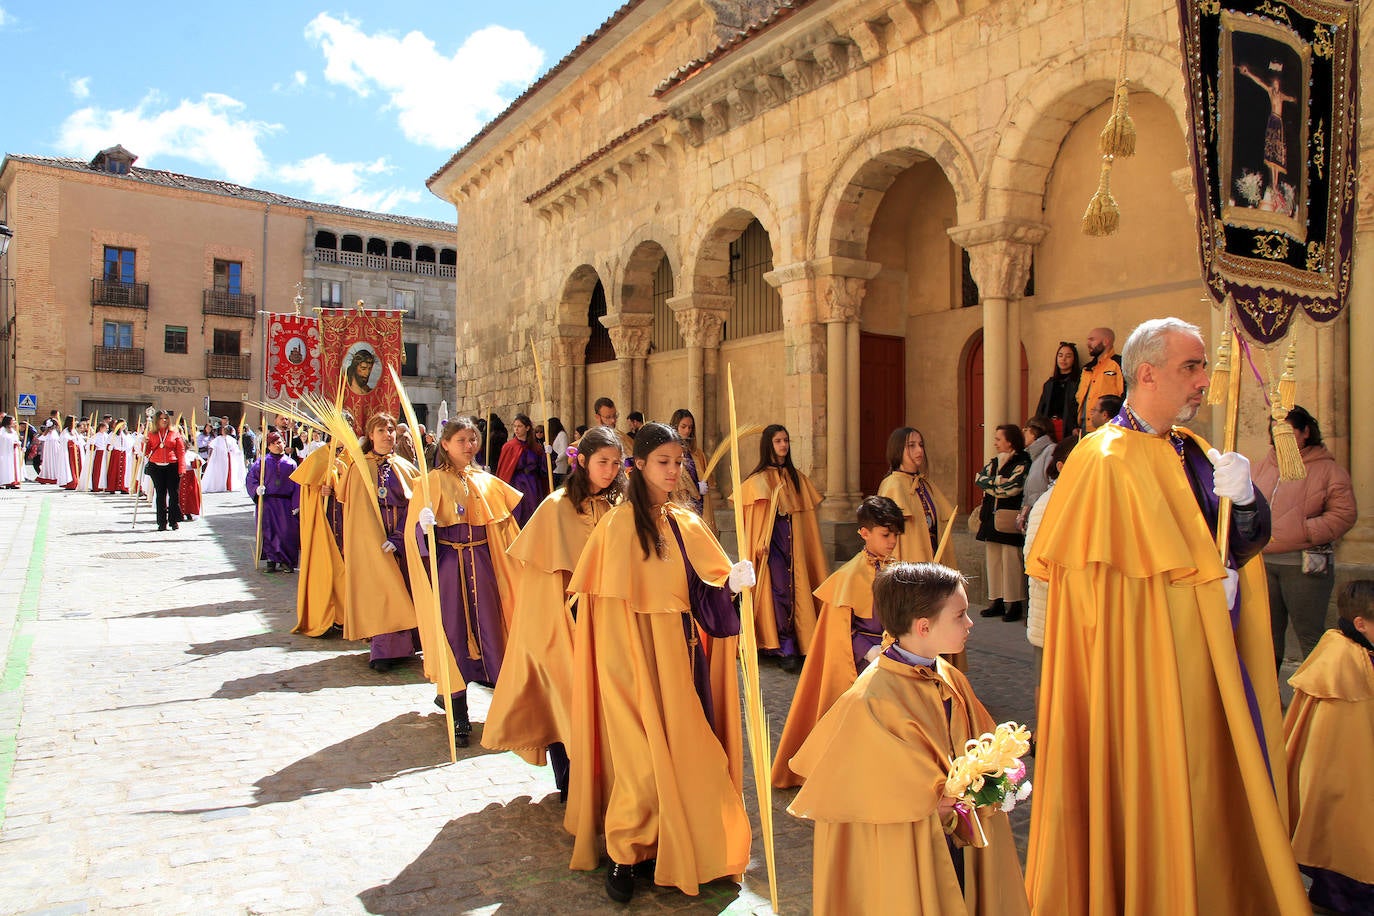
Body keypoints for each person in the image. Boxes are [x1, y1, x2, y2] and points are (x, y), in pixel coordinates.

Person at [1026, 317, 1305, 914]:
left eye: (1204, 366)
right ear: (1145, 373)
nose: (1205, 381)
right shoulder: (1100, 460)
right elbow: (1098, 593)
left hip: (1208, 661)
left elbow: (1238, 545)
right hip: (1141, 673)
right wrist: (1205, 588)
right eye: (1192, 367)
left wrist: (1248, 502)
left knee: (1211, 787)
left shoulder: (1195, 450)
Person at [564, 422, 755, 903]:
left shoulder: (687, 522)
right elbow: (605, 612)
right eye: (663, 462)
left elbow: (703, 595)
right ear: (640, 465)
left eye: (678, 462)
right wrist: (625, 670)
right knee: (640, 761)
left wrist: (728, 585)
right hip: (632, 660)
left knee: (691, 752)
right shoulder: (616, 527)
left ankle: (685, 841)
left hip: (683, 661)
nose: (673, 471)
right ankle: (626, 852)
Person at [787, 562, 1030, 915]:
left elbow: (980, 741)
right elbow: (873, 786)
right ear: (924, 626)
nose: (970, 623)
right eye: (960, 615)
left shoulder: (948, 674)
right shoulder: (870, 698)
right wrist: (934, 796)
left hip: (958, 832)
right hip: (909, 844)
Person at [482, 426, 626, 793]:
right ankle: (570, 780)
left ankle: (600, 775)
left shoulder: (617, 507)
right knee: (565, 696)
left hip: (608, 619)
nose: (609, 470)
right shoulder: (557, 506)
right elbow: (544, 578)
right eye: (602, 462)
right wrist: (560, 618)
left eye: (615, 463)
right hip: (564, 619)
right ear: (583, 462)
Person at [771, 496, 904, 788]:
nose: (892, 541)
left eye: (895, 534)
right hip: (859, 663)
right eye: (885, 534)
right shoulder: (849, 575)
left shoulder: (898, 569)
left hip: (893, 655)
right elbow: (839, 630)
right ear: (864, 533)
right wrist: (868, 652)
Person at [407, 416, 522, 747]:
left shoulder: (485, 481)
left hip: (483, 565)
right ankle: (458, 711)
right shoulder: (431, 481)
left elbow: (504, 528)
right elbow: (416, 535)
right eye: (462, 440)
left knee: (492, 630)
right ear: (445, 444)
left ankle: (504, 710)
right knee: (453, 633)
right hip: (449, 565)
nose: (469, 445)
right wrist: (423, 526)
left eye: (473, 439)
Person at [1283, 580, 1374, 914]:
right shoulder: (1343, 665)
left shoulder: (1348, 649)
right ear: (1361, 624)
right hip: (1345, 782)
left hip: (1345, 782)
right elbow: (1347, 742)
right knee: (1346, 843)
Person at [1252, 405, 1357, 673]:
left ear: (1305, 432)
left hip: (1304, 566)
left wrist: (1304, 530)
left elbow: (1344, 514)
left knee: (1310, 636)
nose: (1279, 439)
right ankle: (1269, 705)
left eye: (1287, 432)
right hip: (1264, 563)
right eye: (1275, 432)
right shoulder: (1263, 466)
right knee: (1267, 639)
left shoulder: (1328, 470)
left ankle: (1315, 706)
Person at [735, 423, 829, 672]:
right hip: (772, 546)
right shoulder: (757, 482)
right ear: (769, 445)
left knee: (797, 590)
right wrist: (758, 542)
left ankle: (800, 641)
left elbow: (805, 521)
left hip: (794, 545)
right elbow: (753, 521)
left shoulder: (797, 480)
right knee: (778, 593)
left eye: (786, 440)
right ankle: (782, 645)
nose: (784, 445)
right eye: (778, 441)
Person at [340, 413, 422, 672]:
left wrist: (399, 537)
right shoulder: (358, 468)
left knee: (405, 588)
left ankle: (407, 643)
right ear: (371, 435)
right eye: (381, 430)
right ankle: (384, 649)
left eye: (390, 430)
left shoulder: (406, 467)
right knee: (382, 591)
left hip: (401, 538)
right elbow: (356, 512)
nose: (388, 435)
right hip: (372, 542)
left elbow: (417, 506)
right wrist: (372, 540)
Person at [1023, 433, 1078, 735]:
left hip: (1074, 617)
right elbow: (1035, 562)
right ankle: (1045, 746)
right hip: (1052, 617)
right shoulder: (1048, 503)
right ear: (1061, 466)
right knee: (1047, 685)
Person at [291, 429, 347, 638]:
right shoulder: (320, 456)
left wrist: (342, 476)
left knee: (346, 569)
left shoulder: (352, 457)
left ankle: (344, 616)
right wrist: (318, 491)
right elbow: (306, 489)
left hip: (346, 523)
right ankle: (325, 615)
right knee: (326, 568)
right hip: (325, 524)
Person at [973, 424, 1031, 622]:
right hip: (990, 519)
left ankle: (1014, 603)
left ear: (1010, 441)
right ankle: (996, 600)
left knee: (1011, 562)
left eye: (999, 439)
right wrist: (998, 481)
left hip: (1007, 520)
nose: (995, 443)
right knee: (994, 562)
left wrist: (994, 484)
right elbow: (979, 479)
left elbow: (1012, 487)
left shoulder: (1022, 462)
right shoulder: (994, 462)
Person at [878, 426, 955, 564]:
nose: (919, 450)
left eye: (921, 445)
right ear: (898, 449)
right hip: (909, 565)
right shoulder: (892, 485)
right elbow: (886, 535)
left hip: (934, 561)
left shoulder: (926, 484)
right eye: (911, 446)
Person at [247, 431, 301, 573]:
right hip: (268, 502)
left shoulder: (291, 463)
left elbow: (297, 485)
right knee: (269, 531)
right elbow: (251, 478)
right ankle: (271, 559)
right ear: (269, 446)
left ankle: (286, 561)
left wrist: (296, 504)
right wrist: (256, 489)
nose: (278, 445)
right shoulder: (262, 462)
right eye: (274, 443)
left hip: (285, 503)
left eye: (280, 442)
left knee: (286, 532)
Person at [495, 413, 548, 526]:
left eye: (519, 426)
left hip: (533, 485)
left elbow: (543, 469)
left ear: (527, 428)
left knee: (533, 511)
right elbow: (505, 470)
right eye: (515, 426)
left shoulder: (536, 447)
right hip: (516, 484)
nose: (516, 429)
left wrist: (548, 455)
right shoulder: (509, 446)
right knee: (518, 513)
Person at [669, 408, 714, 530]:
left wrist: (704, 485)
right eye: (683, 426)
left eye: (690, 427)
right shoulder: (670, 452)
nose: (687, 431)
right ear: (675, 427)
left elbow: (708, 477)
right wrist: (695, 488)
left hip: (701, 505)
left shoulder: (697, 453)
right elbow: (674, 480)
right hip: (682, 504)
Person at [143, 411, 186, 532]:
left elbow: (181, 452)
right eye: (161, 418)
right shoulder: (152, 434)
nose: (164, 420)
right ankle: (161, 522)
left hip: (172, 465)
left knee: (173, 494)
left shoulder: (174, 433)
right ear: (157, 420)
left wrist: (182, 468)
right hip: (156, 467)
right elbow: (146, 452)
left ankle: (174, 520)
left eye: (166, 418)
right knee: (160, 495)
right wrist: (144, 443)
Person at [1075, 327, 1125, 432]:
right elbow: (1077, 399)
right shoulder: (1087, 368)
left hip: (1108, 427)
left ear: (1106, 342)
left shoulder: (1119, 364)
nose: (1088, 344)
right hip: (1083, 427)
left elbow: (1125, 396)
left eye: (1092, 340)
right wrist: (1074, 425)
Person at [1035, 341, 1081, 439]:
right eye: (1060, 356)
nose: (1063, 359)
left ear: (1074, 359)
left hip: (1068, 428)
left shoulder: (1078, 382)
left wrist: (1075, 426)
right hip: (1048, 427)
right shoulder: (1050, 383)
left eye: (1068, 356)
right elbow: (1041, 409)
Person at [1019, 415, 1058, 520]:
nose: (1023, 434)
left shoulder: (1050, 451)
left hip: (1043, 515)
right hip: (1034, 515)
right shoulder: (1037, 455)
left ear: (1033, 432)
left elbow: (1053, 484)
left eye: (1025, 430)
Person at [36, 421, 67, 487]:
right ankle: (49, 476)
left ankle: (56, 475)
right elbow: (42, 437)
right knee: (50, 462)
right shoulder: (48, 433)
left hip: (55, 450)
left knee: (56, 462)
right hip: (50, 450)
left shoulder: (55, 432)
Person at [179, 445, 203, 522]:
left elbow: (197, 465)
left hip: (190, 477)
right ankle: (180, 513)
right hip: (179, 477)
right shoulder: (176, 453)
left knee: (191, 495)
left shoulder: (191, 454)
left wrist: (196, 461)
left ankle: (190, 512)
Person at [547, 416, 570, 486]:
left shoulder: (562, 435)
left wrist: (554, 460)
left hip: (560, 468)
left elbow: (564, 452)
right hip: (554, 468)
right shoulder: (555, 436)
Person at [0, 415, 21, 489]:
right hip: (4, 453)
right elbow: (3, 440)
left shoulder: (13, 431)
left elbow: (16, 439)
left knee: (12, 467)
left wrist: (18, 443)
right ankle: (3, 482)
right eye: (13, 420)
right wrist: (11, 443)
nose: (14, 422)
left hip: (13, 453)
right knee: (4, 467)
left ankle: (11, 482)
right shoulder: (2, 430)